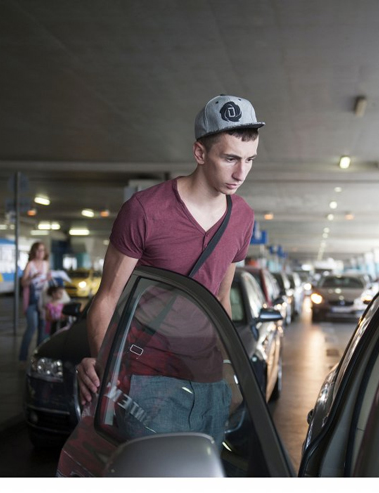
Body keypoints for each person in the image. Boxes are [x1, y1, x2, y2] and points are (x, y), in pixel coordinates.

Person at [77, 94, 263, 441]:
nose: (241, 173)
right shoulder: (145, 211)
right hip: (148, 379)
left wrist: (228, 372)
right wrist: (105, 369)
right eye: (230, 158)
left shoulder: (242, 217)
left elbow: (221, 300)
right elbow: (107, 299)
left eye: (249, 160)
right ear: (199, 153)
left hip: (208, 380)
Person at [19, 241, 52, 361]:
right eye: (38, 250)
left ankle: (38, 357)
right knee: (32, 326)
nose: (40, 252)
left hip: (43, 301)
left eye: (42, 250)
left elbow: (47, 282)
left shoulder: (46, 264)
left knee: (43, 329)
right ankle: (22, 357)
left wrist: (48, 278)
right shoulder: (30, 264)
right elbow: (23, 283)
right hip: (31, 301)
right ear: (34, 252)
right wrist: (32, 277)